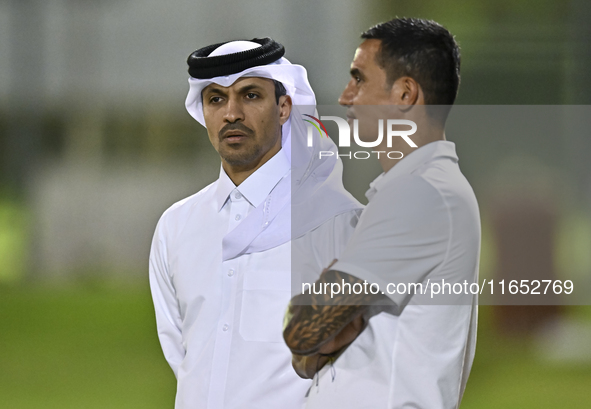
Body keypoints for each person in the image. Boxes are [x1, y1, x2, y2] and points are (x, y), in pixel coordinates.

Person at [148, 38, 362, 408]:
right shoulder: (175, 227)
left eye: (249, 96)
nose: (231, 113)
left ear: (283, 108)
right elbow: (182, 355)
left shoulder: (338, 222)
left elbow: (358, 363)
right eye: (216, 99)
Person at [283, 18, 480, 408]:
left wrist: (323, 316)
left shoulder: (423, 192)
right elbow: (306, 356)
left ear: (405, 93)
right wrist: (330, 318)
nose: (345, 96)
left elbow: (302, 333)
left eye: (359, 79)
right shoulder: (411, 189)